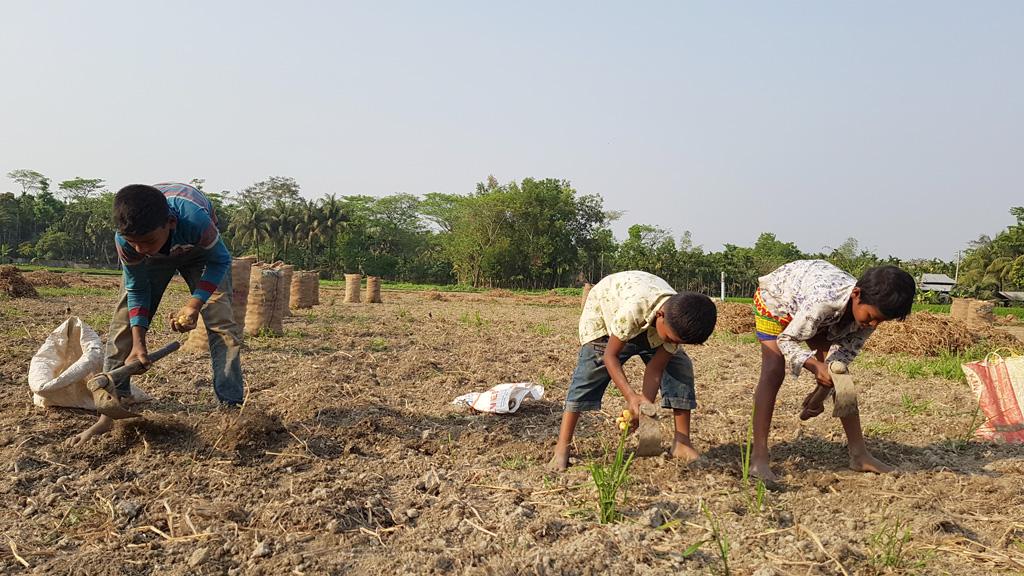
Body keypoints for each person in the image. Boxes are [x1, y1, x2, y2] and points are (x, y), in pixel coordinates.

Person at [68, 182, 244, 446]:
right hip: (155, 262)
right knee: (123, 323)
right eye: (133, 243)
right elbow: (138, 289)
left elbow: (220, 260)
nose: (139, 249)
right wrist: (138, 344)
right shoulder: (127, 242)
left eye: (147, 241)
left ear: (170, 223)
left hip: (199, 255)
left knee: (221, 324)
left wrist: (195, 303)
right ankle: (110, 412)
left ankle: (232, 410)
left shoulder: (194, 220)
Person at [749, 260, 915, 481]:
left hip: (818, 311)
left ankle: (859, 454)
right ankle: (758, 457)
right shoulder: (822, 303)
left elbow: (839, 362)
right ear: (856, 294)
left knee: (840, 376)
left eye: (881, 321)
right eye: (871, 317)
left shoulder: (867, 317)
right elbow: (786, 340)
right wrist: (814, 365)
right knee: (773, 370)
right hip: (777, 301)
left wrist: (819, 397)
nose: (873, 325)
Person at [549, 270, 717, 471]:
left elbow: (656, 367)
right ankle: (563, 446)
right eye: (672, 339)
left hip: (648, 325)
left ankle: (682, 443)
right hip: (606, 319)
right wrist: (630, 396)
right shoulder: (634, 309)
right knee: (589, 373)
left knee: (679, 367)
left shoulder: (676, 321)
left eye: (677, 341)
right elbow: (610, 356)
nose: (673, 343)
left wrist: (643, 405)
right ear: (661, 316)